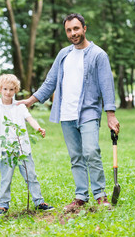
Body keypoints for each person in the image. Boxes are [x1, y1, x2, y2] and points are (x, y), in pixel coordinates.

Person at [17, 13, 120, 211]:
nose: (73, 33)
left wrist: (111, 114)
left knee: (91, 152)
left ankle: (100, 194)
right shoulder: (63, 54)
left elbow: (107, 86)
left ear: (84, 28)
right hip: (66, 113)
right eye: (69, 30)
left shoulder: (99, 55)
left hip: (88, 111)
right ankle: (81, 196)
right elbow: (50, 82)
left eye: (76, 28)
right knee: (76, 157)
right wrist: (30, 100)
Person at [0, 74, 54, 215]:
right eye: (5, 89)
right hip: (7, 148)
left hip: (22, 147)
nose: (8, 92)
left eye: (11, 89)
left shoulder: (20, 106)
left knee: (31, 175)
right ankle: (3, 204)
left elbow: (30, 119)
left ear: (16, 90)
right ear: (0, 89)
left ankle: (38, 201)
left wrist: (38, 128)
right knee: (6, 178)